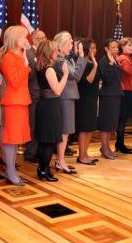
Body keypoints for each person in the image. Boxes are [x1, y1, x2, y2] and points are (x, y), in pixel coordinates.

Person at [0, 25, 31, 186]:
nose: (26, 40)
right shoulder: (8, 57)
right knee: (11, 139)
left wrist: (25, 62)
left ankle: (12, 171)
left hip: (22, 100)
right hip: (13, 102)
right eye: (23, 37)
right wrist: (25, 65)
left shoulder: (20, 55)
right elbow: (14, 81)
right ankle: (10, 172)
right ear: (15, 39)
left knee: (16, 139)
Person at [35, 40, 69, 182]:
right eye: (55, 51)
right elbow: (58, 90)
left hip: (45, 105)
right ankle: (43, 170)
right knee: (49, 140)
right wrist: (66, 74)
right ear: (50, 53)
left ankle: (43, 168)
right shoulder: (49, 69)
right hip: (50, 106)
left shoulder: (40, 67)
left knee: (45, 140)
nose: (57, 53)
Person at [54, 31, 86, 174]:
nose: (70, 47)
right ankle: (61, 161)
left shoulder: (65, 58)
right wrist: (82, 56)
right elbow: (76, 75)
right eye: (68, 44)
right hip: (65, 98)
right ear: (60, 46)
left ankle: (60, 160)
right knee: (64, 131)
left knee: (65, 131)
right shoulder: (60, 60)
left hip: (68, 97)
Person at [115, 37, 132, 154]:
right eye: (128, 45)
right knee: (121, 120)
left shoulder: (128, 58)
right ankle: (120, 144)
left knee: (123, 120)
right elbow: (130, 71)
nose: (131, 47)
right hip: (124, 91)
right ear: (122, 47)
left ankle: (120, 143)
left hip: (129, 91)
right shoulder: (122, 58)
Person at [75, 38, 100, 165]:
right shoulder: (83, 62)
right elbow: (88, 80)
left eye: (95, 48)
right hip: (83, 99)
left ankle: (86, 153)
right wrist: (95, 66)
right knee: (84, 128)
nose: (94, 50)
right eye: (92, 48)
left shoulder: (92, 61)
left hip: (92, 98)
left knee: (90, 128)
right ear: (86, 49)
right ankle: (81, 156)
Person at [24, 29, 47, 163]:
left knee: (40, 124)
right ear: (35, 40)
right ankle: (30, 153)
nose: (44, 40)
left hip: (43, 93)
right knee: (32, 124)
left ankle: (38, 151)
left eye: (44, 38)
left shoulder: (42, 53)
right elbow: (33, 71)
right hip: (33, 93)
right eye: (42, 38)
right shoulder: (28, 52)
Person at [98, 38, 123, 160]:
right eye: (113, 47)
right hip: (107, 96)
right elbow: (107, 78)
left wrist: (114, 63)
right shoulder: (103, 61)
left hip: (116, 94)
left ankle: (106, 147)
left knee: (112, 124)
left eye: (117, 47)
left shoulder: (116, 60)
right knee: (106, 124)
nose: (116, 49)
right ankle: (105, 147)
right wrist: (111, 64)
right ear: (106, 49)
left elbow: (118, 77)